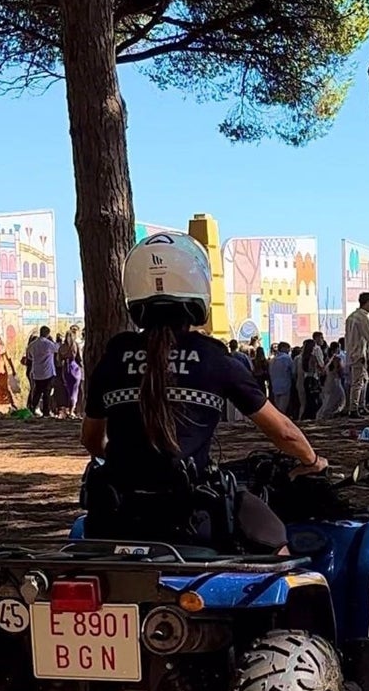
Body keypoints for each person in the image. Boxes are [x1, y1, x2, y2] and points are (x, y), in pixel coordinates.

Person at [80, 232, 326, 552]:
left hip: (114, 518)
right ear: (198, 292)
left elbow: (90, 440)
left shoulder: (114, 357)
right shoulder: (213, 357)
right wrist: (312, 459)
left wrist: (129, 466)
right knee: (277, 543)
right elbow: (284, 432)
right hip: (190, 520)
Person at [345, 292, 369, 417]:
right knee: (358, 382)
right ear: (367, 302)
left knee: (363, 380)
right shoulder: (361, 317)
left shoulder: (351, 317)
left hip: (354, 353)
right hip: (359, 354)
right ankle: (354, 409)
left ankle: (360, 406)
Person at [27, 326, 60, 417]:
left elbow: (29, 356)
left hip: (37, 372)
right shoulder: (49, 344)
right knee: (47, 393)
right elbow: (57, 348)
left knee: (37, 391)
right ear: (48, 334)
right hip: (48, 371)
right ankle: (46, 411)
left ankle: (32, 408)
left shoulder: (33, 344)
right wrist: (57, 340)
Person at [59, 328, 84, 418]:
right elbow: (80, 358)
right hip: (75, 368)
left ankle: (67, 409)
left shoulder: (62, 347)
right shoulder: (75, 345)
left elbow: (58, 360)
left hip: (65, 368)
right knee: (75, 390)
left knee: (68, 390)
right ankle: (72, 410)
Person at [269, 342, 295, 414]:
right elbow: (293, 372)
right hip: (285, 385)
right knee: (283, 407)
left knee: (277, 407)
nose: (289, 350)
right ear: (283, 348)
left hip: (275, 386)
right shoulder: (287, 358)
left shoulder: (273, 360)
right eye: (288, 348)